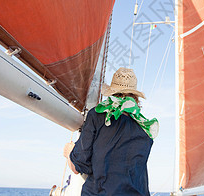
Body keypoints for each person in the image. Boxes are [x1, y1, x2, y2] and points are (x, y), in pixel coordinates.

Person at [63, 67, 158, 195]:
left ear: (112, 93)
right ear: (135, 97)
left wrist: (69, 152)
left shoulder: (97, 116)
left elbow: (78, 166)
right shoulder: (145, 129)